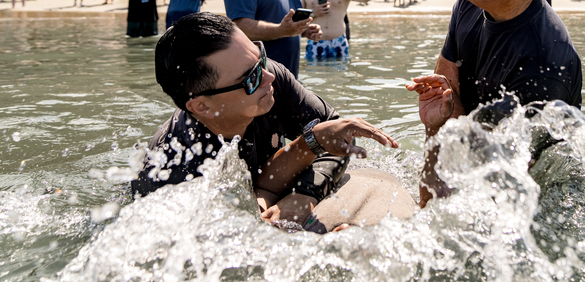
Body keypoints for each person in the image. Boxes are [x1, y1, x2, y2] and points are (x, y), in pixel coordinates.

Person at [131, 13, 404, 231]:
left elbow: (336, 133)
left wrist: (305, 193)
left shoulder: (268, 77)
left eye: (260, 56)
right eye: (250, 78)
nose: (268, 76)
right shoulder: (174, 167)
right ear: (201, 106)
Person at [405, 0, 583, 206]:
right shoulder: (471, 0)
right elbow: (446, 86)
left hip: (535, 207)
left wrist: (452, 121)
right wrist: (436, 127)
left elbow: (498, 203)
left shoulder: (544, 69)